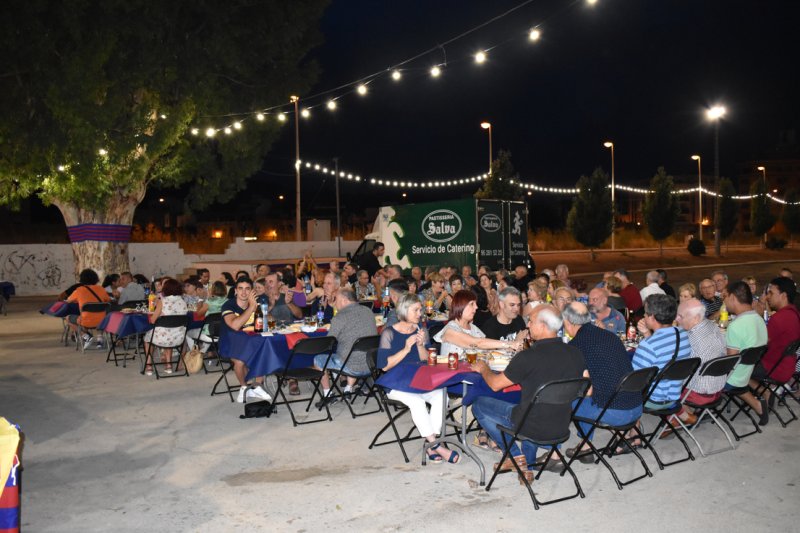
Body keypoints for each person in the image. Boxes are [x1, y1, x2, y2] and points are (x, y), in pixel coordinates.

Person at [471, 306, 586, 479]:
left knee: (479, 404)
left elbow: (495, 385)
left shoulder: (528, 357)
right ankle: (527, 465)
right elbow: (585, 387)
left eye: (531, 321)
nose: (528, 326)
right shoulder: (576, 353)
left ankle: (515, 455)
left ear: (543, 326)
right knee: (530, 407)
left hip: (530, 425)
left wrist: (483, 368)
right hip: (561, 425)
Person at [377, 293, 460, 464]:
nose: (420, 313)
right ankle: (437, 446)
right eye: (416, 310)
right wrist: (406, 349)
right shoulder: (389, 333)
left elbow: (425, 359)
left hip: (418, 377)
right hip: (396, 381)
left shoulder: (421, 330)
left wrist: (420, 345)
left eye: (420, 309)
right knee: (417, 403)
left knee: (441, 396)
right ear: (404, 310)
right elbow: (384, 366)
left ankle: (431, 444)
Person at [562, 302, 641, 460]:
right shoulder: (610, 335)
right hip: (637, 408)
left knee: (572, 396)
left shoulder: (576, 346)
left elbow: (586, 391)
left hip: (617, 414)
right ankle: (624, 437)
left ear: (567, 322)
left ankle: (585, 447)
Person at [314, 288, 379, 406]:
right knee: (353, 351)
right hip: (371, 364)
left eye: (336, 299)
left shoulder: (340, 317)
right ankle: (348, 389)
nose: (334, 302)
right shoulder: (368, 311)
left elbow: (329, 342)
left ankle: (328, 394)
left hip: (351, 366)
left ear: (344, 300)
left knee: (318, 359)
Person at [673, 298, 728, 424]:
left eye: (681, 316)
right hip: (718, 387)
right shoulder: (712, 325)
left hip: (700, 394)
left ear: (696, 318)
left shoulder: (691, 339)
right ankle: (686, 414)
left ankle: (680, 418)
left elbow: (678, 368)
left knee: (661, 381)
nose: (676, 319)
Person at [632, 294, 691, 407]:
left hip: (652, 399)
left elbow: (635, 382)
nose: (643, 315)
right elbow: (661, 352)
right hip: (674, 396)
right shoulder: (682, 333)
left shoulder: (648, 345)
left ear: (652, 317)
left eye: (645, 312)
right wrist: (646, 333)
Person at [723, 281, 769, 424]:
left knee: (694, 373)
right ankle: (758, 405)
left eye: (725, 297)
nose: (724, 301)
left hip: (733, 378)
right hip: (746, 372)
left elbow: (730, 361)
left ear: (732, 297)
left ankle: (689, 414)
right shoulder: (759, 319)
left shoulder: (735, 326)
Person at [220, 278, 272, 403]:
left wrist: (266, 314)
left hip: (251, 340)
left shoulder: (257, 302)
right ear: (236, 291)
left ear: (251, 291)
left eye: (247, 289)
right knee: (239, 361)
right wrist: (251, 308)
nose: (244, 292)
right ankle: (244, 386)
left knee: (265, 350)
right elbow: (235, 325)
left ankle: (256, 386)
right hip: (231, 341)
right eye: (240, 288)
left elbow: (268, 321)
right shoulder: (228, 305)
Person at [752, 278, 800, 406]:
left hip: (773, 368)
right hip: (788, 366)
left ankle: (764, 392)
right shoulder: (794, 313)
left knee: (735, 367)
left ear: (783, 295)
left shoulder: (779, 318)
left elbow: (758, 343)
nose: (767, 297)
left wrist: (757, 317)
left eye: (771, 293)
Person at [433, 290, 524, 357]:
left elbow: (489, 351)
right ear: (461, 305)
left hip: (471, 376)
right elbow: (477, 343)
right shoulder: (450, 330)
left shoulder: (474, 329)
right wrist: (510, 344)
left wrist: (512, 348)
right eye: (472, 304)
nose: (476, 307)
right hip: (453, 378)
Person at [143, 278, 187, 376]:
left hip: (162, 338)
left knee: (147, 339)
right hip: (178, 338)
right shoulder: (183, 302)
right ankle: (168, 366)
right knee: (170, 331)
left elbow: (153, 320)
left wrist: (158, 313)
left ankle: (149, 366)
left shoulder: (163, 301)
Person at [66, 268, 112, 349]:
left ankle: (86, 336)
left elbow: (69, 300)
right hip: (103, 321)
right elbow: (107, 300)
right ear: (95, 278)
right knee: (99, 313)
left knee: (68, 318)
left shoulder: (79, 290)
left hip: (85, 321)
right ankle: (100, 340)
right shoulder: (101, 289)